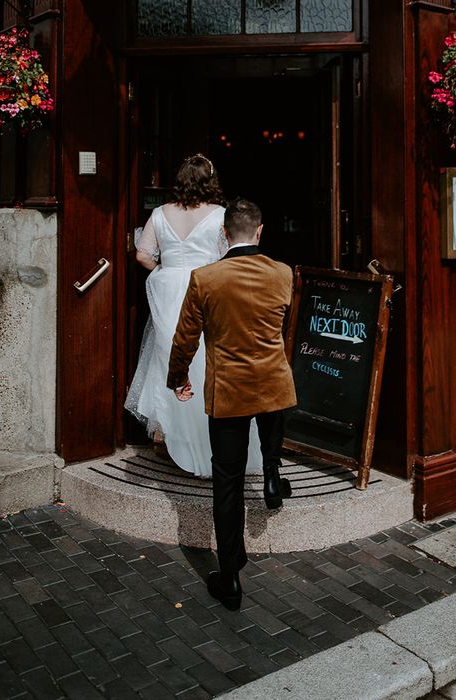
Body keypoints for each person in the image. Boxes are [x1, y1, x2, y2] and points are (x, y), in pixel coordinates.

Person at [167, 198, 296, 610]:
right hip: (273, 383)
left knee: (228, 482)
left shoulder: (205, 278)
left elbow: (184, 338)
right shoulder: (283, 273)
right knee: (271, 435)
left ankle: (231, 577)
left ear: (224, 235)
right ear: (260, 232)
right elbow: (280, 324)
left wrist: (177, 379)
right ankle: (274, 476)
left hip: (229, 392)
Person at [125, 154, 262, 477]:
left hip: (168, 288)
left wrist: (165, 268)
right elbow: (228, 254)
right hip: (207, 285)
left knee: (170, 356)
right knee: (206, 358)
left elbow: (142, 254)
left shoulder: (160, 214)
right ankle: (216, 439)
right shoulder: (219, 215)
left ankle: (177, 439)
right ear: (210, 181)